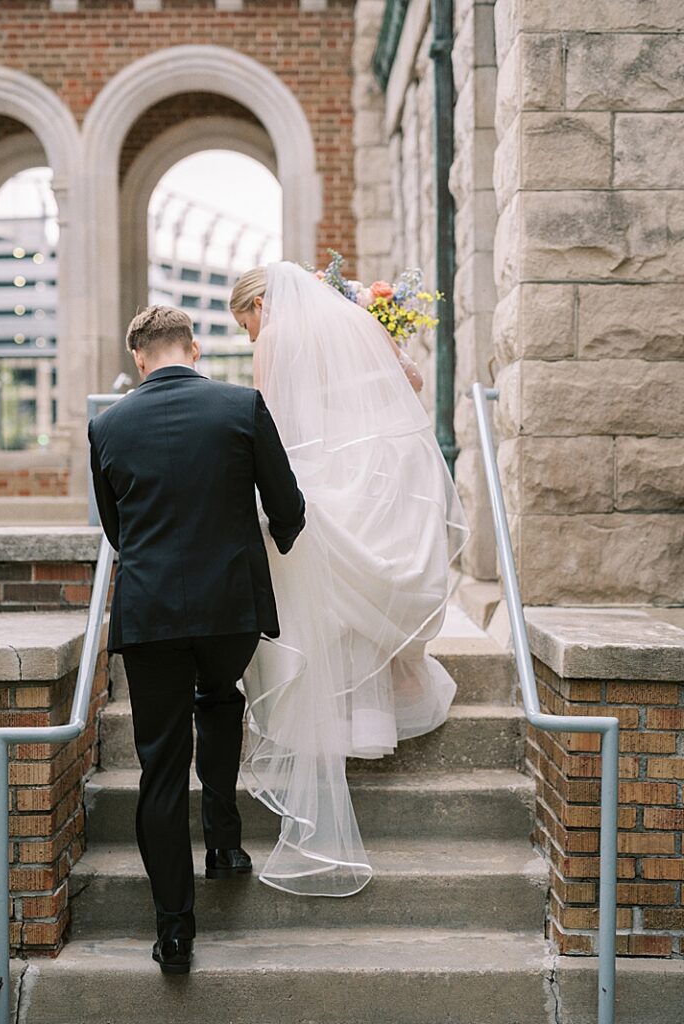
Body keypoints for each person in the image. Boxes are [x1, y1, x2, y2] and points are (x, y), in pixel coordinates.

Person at [230, 261, 469, 897]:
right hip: (371, 473)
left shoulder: (278, 338)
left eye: (245, 322)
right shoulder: (361, 321)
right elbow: (411, 380)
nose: (252, 336)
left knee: (317, 601)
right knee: (355, 597)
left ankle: (330, 723)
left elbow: (267, 421)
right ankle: (367, 723)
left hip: (313, 476)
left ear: (260, 305)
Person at [88, 306, 306, 974]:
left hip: (151, 613)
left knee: (159, 766)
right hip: (230, 608)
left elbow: (116, 529)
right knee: (219, 695)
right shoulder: (242, 406)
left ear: (139, 358)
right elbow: (289, 508)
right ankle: (225, 844)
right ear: (194, 347)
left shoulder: (106, 424)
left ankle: (175, 933)